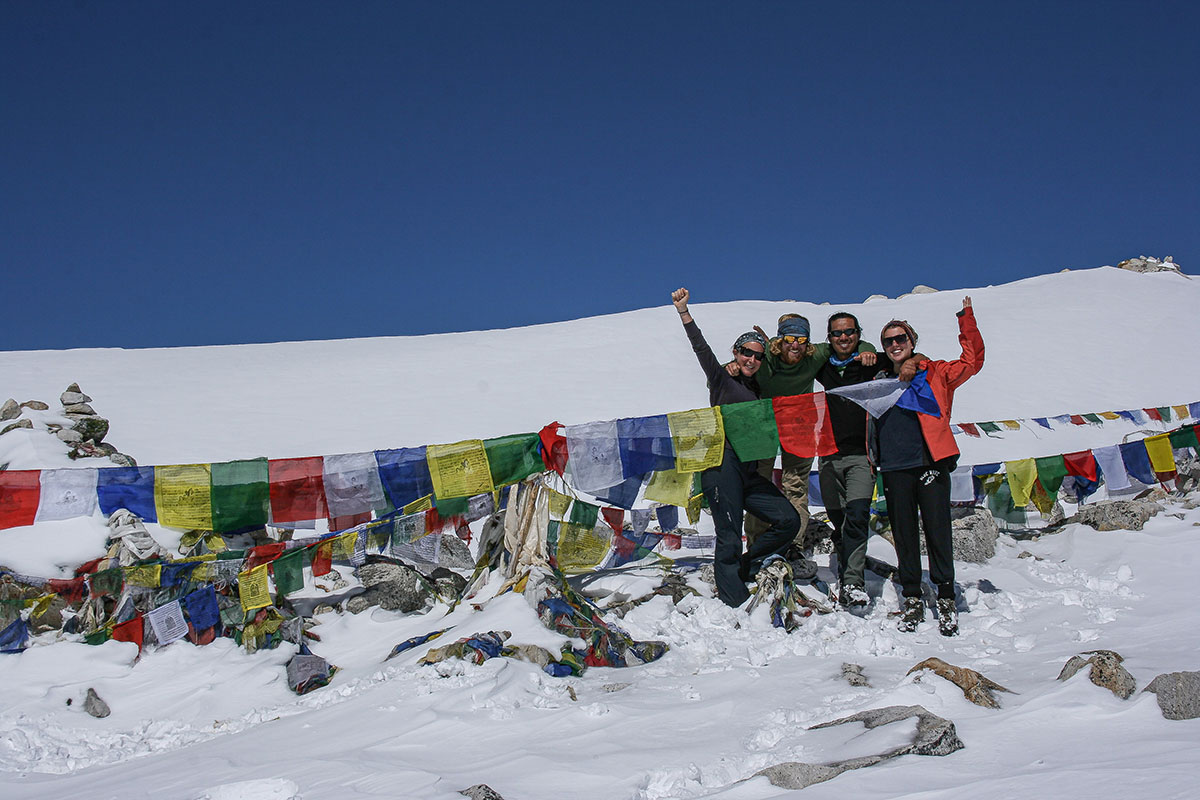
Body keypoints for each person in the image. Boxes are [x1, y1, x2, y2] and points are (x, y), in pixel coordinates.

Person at [671, 287, 801, 607]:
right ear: (736, 352)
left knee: (788, 519)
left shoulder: (760, 388)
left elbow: (783, 369)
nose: (752, 359)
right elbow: (700, 348)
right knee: (729, 533)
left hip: (748, 469)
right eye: (746, 353)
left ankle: (745, 566)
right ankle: (735, 599)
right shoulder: (722, 379)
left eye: (757, 356)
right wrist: (684, 312)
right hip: (720, 463)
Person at [868, 297, 984, 635]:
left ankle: (946, 597)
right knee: (904, 535)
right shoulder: (879, 381)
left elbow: (973, 361)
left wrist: (966, 319)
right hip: (893, 467)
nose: (894, 344)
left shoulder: (936, 372)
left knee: (937, 531)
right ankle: (912, 597)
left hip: (930, 462)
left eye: (900, 338)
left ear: (912, 341)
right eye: (888, 341)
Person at [747, 314, 876, 559]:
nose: (795, 345)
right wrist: (730, 367)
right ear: (780, 340)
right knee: (758, 485)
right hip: (764, 426)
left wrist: (867, 349)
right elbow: (736, 366)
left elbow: (846, 343)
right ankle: (756, 546)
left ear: (808, 342)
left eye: (801, 339)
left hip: (800, 426)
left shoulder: (815, 354)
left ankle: (794, 546)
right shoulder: (766, 357)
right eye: (789, 339)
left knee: (795, 486)